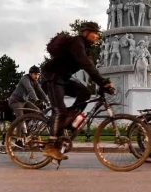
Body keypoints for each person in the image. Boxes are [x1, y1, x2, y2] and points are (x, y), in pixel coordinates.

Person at [41, 21, 114, 161]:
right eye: (95, 33)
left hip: (63, 78)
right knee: (59, 110)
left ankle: (68, 120)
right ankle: (50, 146)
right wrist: (103, 82)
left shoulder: (86, 49)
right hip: (52, 76)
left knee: (85, 93)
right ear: (86, 32)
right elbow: (85, 64)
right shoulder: (76, 43)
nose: (97, 36)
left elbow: (91, 68)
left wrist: (103, 85)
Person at [8, 65, 49, 145]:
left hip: (24, 101)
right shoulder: (25, 79)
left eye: (38, 74)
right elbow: (30, 89)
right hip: (15, 101)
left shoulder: (35, 82)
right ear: (30, 74)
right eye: (35, 74)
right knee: (20, 118)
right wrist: (36, 100)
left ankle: (26, 128)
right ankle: (18, 139)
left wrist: (48, 101)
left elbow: (40, 91)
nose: (37, 76)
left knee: (38, 111)